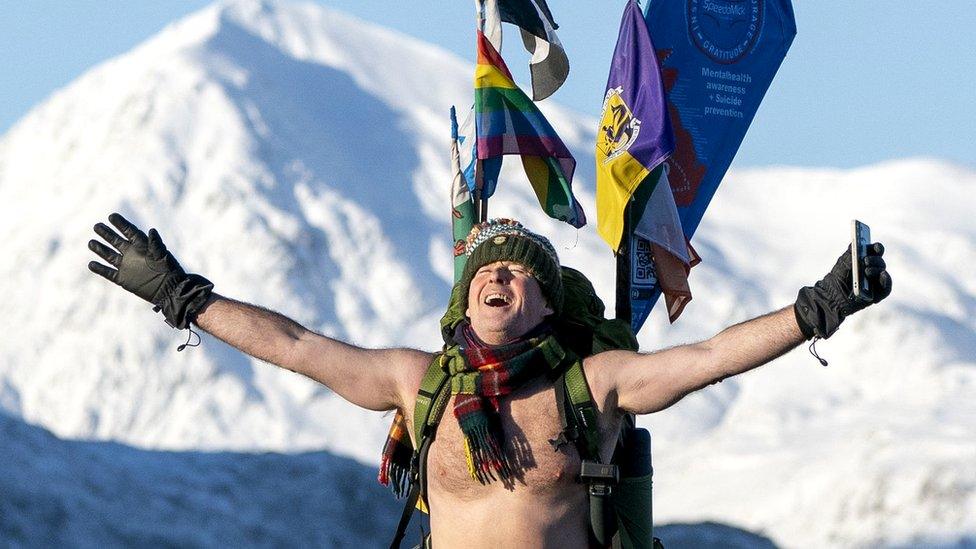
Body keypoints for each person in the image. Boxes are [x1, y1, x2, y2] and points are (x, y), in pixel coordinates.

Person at [88, 214, 891, 548]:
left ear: (545, 298)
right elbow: (297, 344)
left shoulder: (594, 384)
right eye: (485, 269)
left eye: (517, 271)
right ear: (465, 292)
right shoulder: (421, 383)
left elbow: (709, 356)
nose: (497, 277)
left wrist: (816, 308)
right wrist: (184, 295)